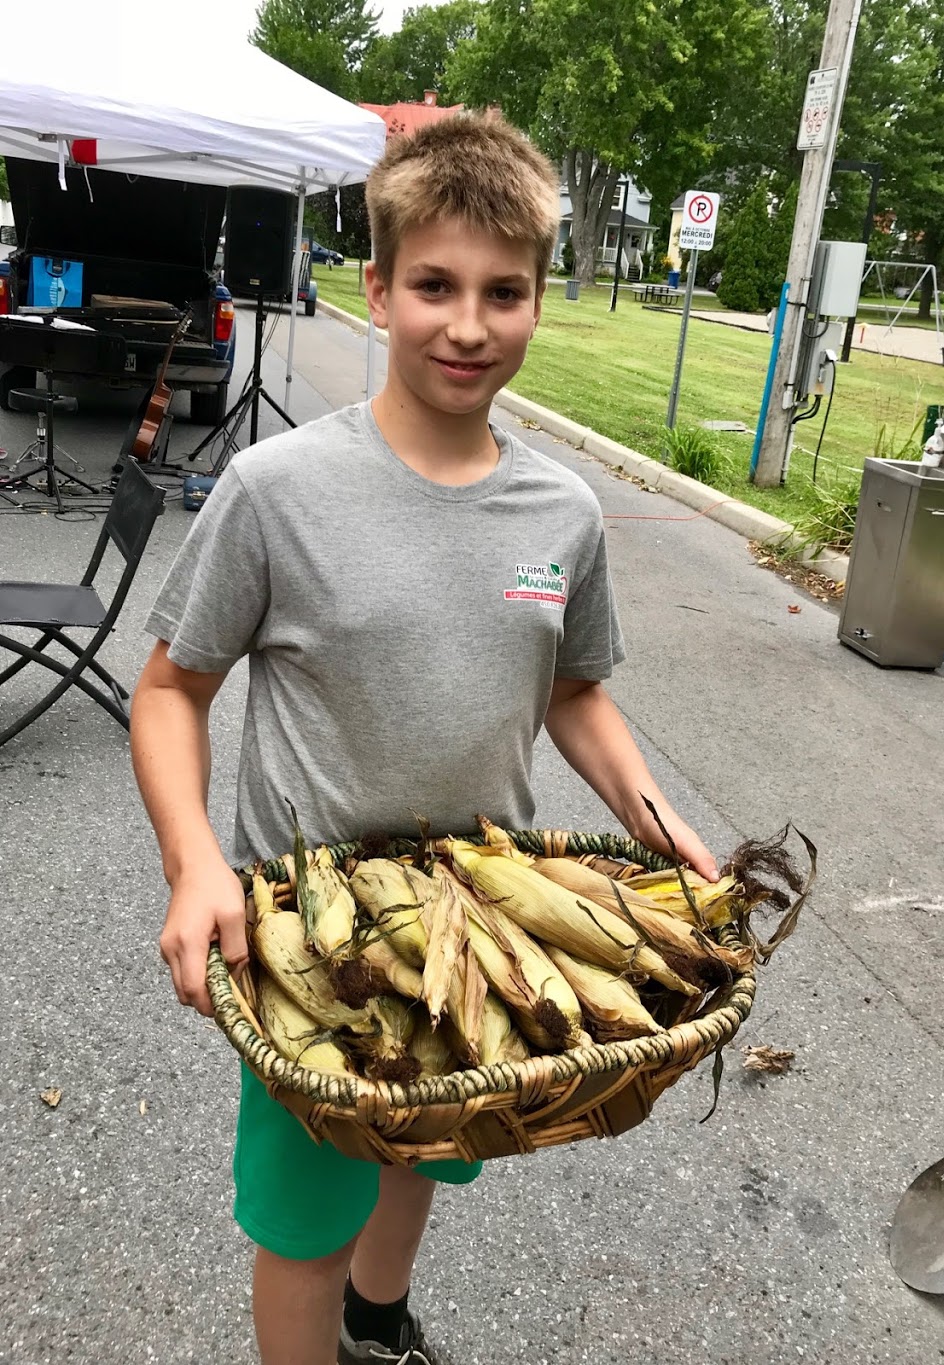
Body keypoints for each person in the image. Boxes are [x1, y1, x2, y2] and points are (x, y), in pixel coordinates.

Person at [130, 113, 719, 1365]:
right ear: (379, 287)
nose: (467, 325)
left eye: (503, 292)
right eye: (435, 287)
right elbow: (172, 689)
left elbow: (574, 694)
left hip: (478, 916)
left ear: (539, 301)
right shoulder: (278, 490)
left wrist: (665, 835)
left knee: (436, 1148)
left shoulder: (561, 509)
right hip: (315, 939)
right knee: (302, 1222)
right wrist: (193, 863)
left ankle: (379, 1319)